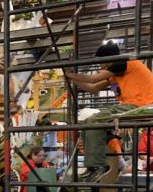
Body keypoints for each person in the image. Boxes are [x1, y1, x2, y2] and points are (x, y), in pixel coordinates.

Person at [64, 41, 153, 182]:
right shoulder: (115, 74)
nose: (99, 65)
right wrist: (72, 78)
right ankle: (93, 166)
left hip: (142, 105)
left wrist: (71, 75)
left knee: (96, 120)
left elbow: (93, 79)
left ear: (108, 59)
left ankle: (98, 165)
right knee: (88, 122)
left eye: (101, 61)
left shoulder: (123, 62)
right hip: (132, 106)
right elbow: (92, 88)